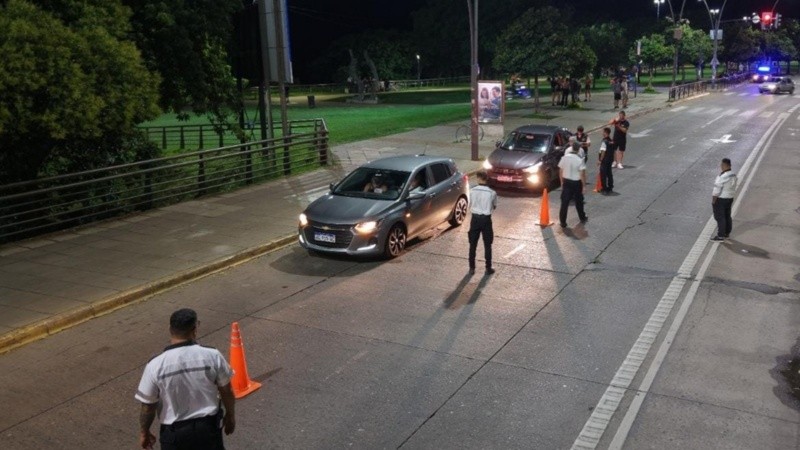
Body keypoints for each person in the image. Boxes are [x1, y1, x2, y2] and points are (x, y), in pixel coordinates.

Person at [136, 308, 236, 450]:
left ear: (170, 329)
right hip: (207, 430)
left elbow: (148, 406)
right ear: (195, 329)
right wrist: (230, 416)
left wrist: (144, 432)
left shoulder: (155, 365)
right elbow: (227, 390)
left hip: (174, 436)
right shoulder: (212, 356)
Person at [468, 170, 497, 275]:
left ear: (479, 178)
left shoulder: (472, 191)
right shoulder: (492, 193)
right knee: (488, 244)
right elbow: (494, 206)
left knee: (472, 244)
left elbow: (469, 204)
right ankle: (488, 268)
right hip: (486, 220)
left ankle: (472, 268)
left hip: (475, 219)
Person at [558, 142, 588, 228]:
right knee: (579, 202)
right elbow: (582, 174)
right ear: (578, 149)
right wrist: (584, 186)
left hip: (566, 182)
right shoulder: (579, 160)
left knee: (564, 203)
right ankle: (582, 217)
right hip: (576, 182)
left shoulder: (564, 158)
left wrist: (561, 182)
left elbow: (560, 170)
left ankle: (563, 222)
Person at [711, 158, 737, 241]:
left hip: (721, 199)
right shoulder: (733, 174)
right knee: (727, 216)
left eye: (721, 165)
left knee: (720, 217)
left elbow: (717, 189)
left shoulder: (722, 176)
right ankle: (726, 233)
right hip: (730, 198)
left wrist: (714, 200)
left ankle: (720, 236)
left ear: (723, 165)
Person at [597, 127, 615, 194]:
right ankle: (610, 187)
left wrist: (600, 160)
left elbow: (603, 152)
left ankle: (604, 188)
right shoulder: (611, 141)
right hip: (610, 159)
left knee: (603, 174)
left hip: (604, 160)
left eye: (603, 132)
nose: (602, 133)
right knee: (609, 173)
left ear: (605, 132)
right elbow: (614, 151)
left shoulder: (604, 141)